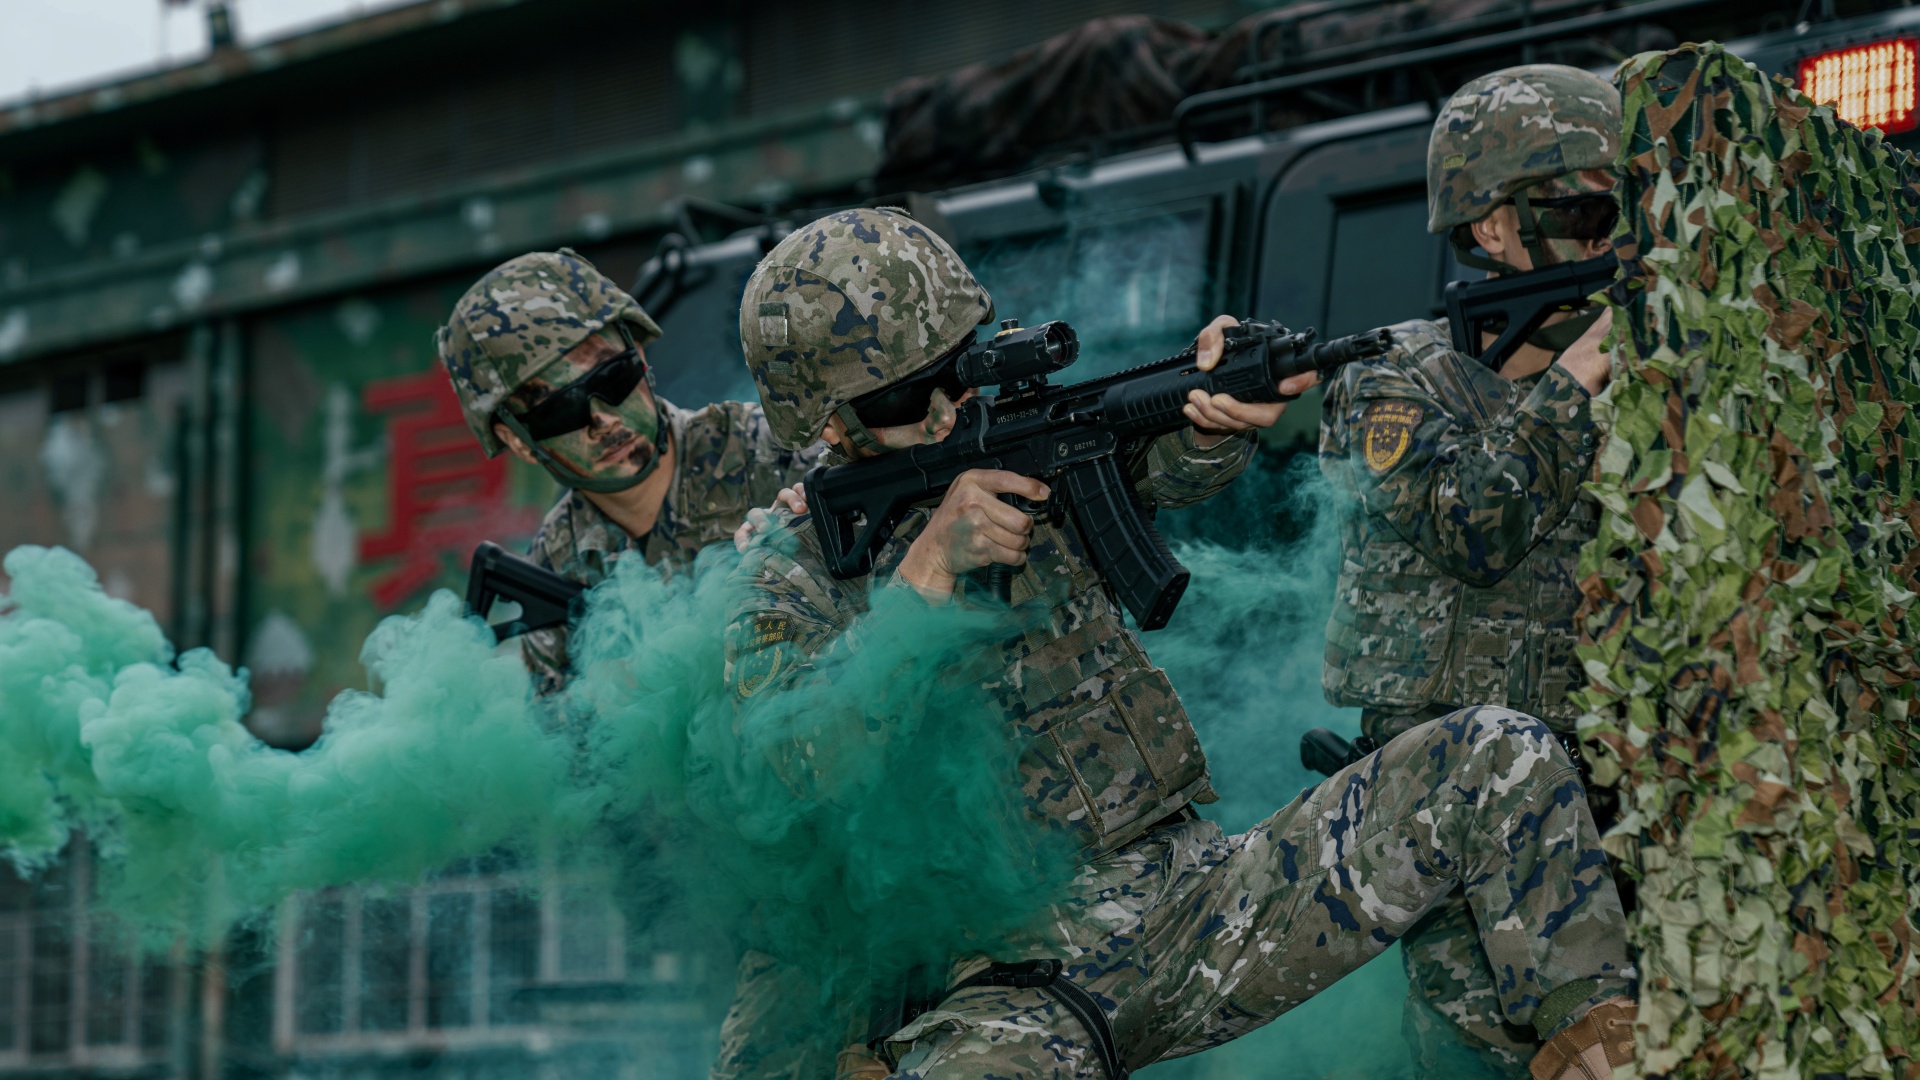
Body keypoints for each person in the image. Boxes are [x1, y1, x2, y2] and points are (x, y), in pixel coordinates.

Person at [728, 207, 1638, 1080]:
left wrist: (1213, 419)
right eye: (905, 393)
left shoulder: (1011, 449)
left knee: (1496, 756)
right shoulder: (790, 573)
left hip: (1199, 905)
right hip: (1009, 985)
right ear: (826, 420)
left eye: (959, 369)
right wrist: (924, 578)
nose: (946, 407)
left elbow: (1156, 466)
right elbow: (790, 784)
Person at [1317, 64, 1624, 1077]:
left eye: (1624, 215)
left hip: (1617, 802)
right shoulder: (1393, 379)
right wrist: (1578, 379)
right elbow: (1473, 529)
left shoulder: (1649, 383)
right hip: (1459, 817)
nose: (1611, 242)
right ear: (1493, 227)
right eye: (1587, 213)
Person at [437, 248, 822, 695]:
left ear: (639, 353)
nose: (602, 419)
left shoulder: (775, 453)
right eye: (559, 410)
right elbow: (556, 725)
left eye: (612, 378)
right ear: (519, 440)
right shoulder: (558, 566)